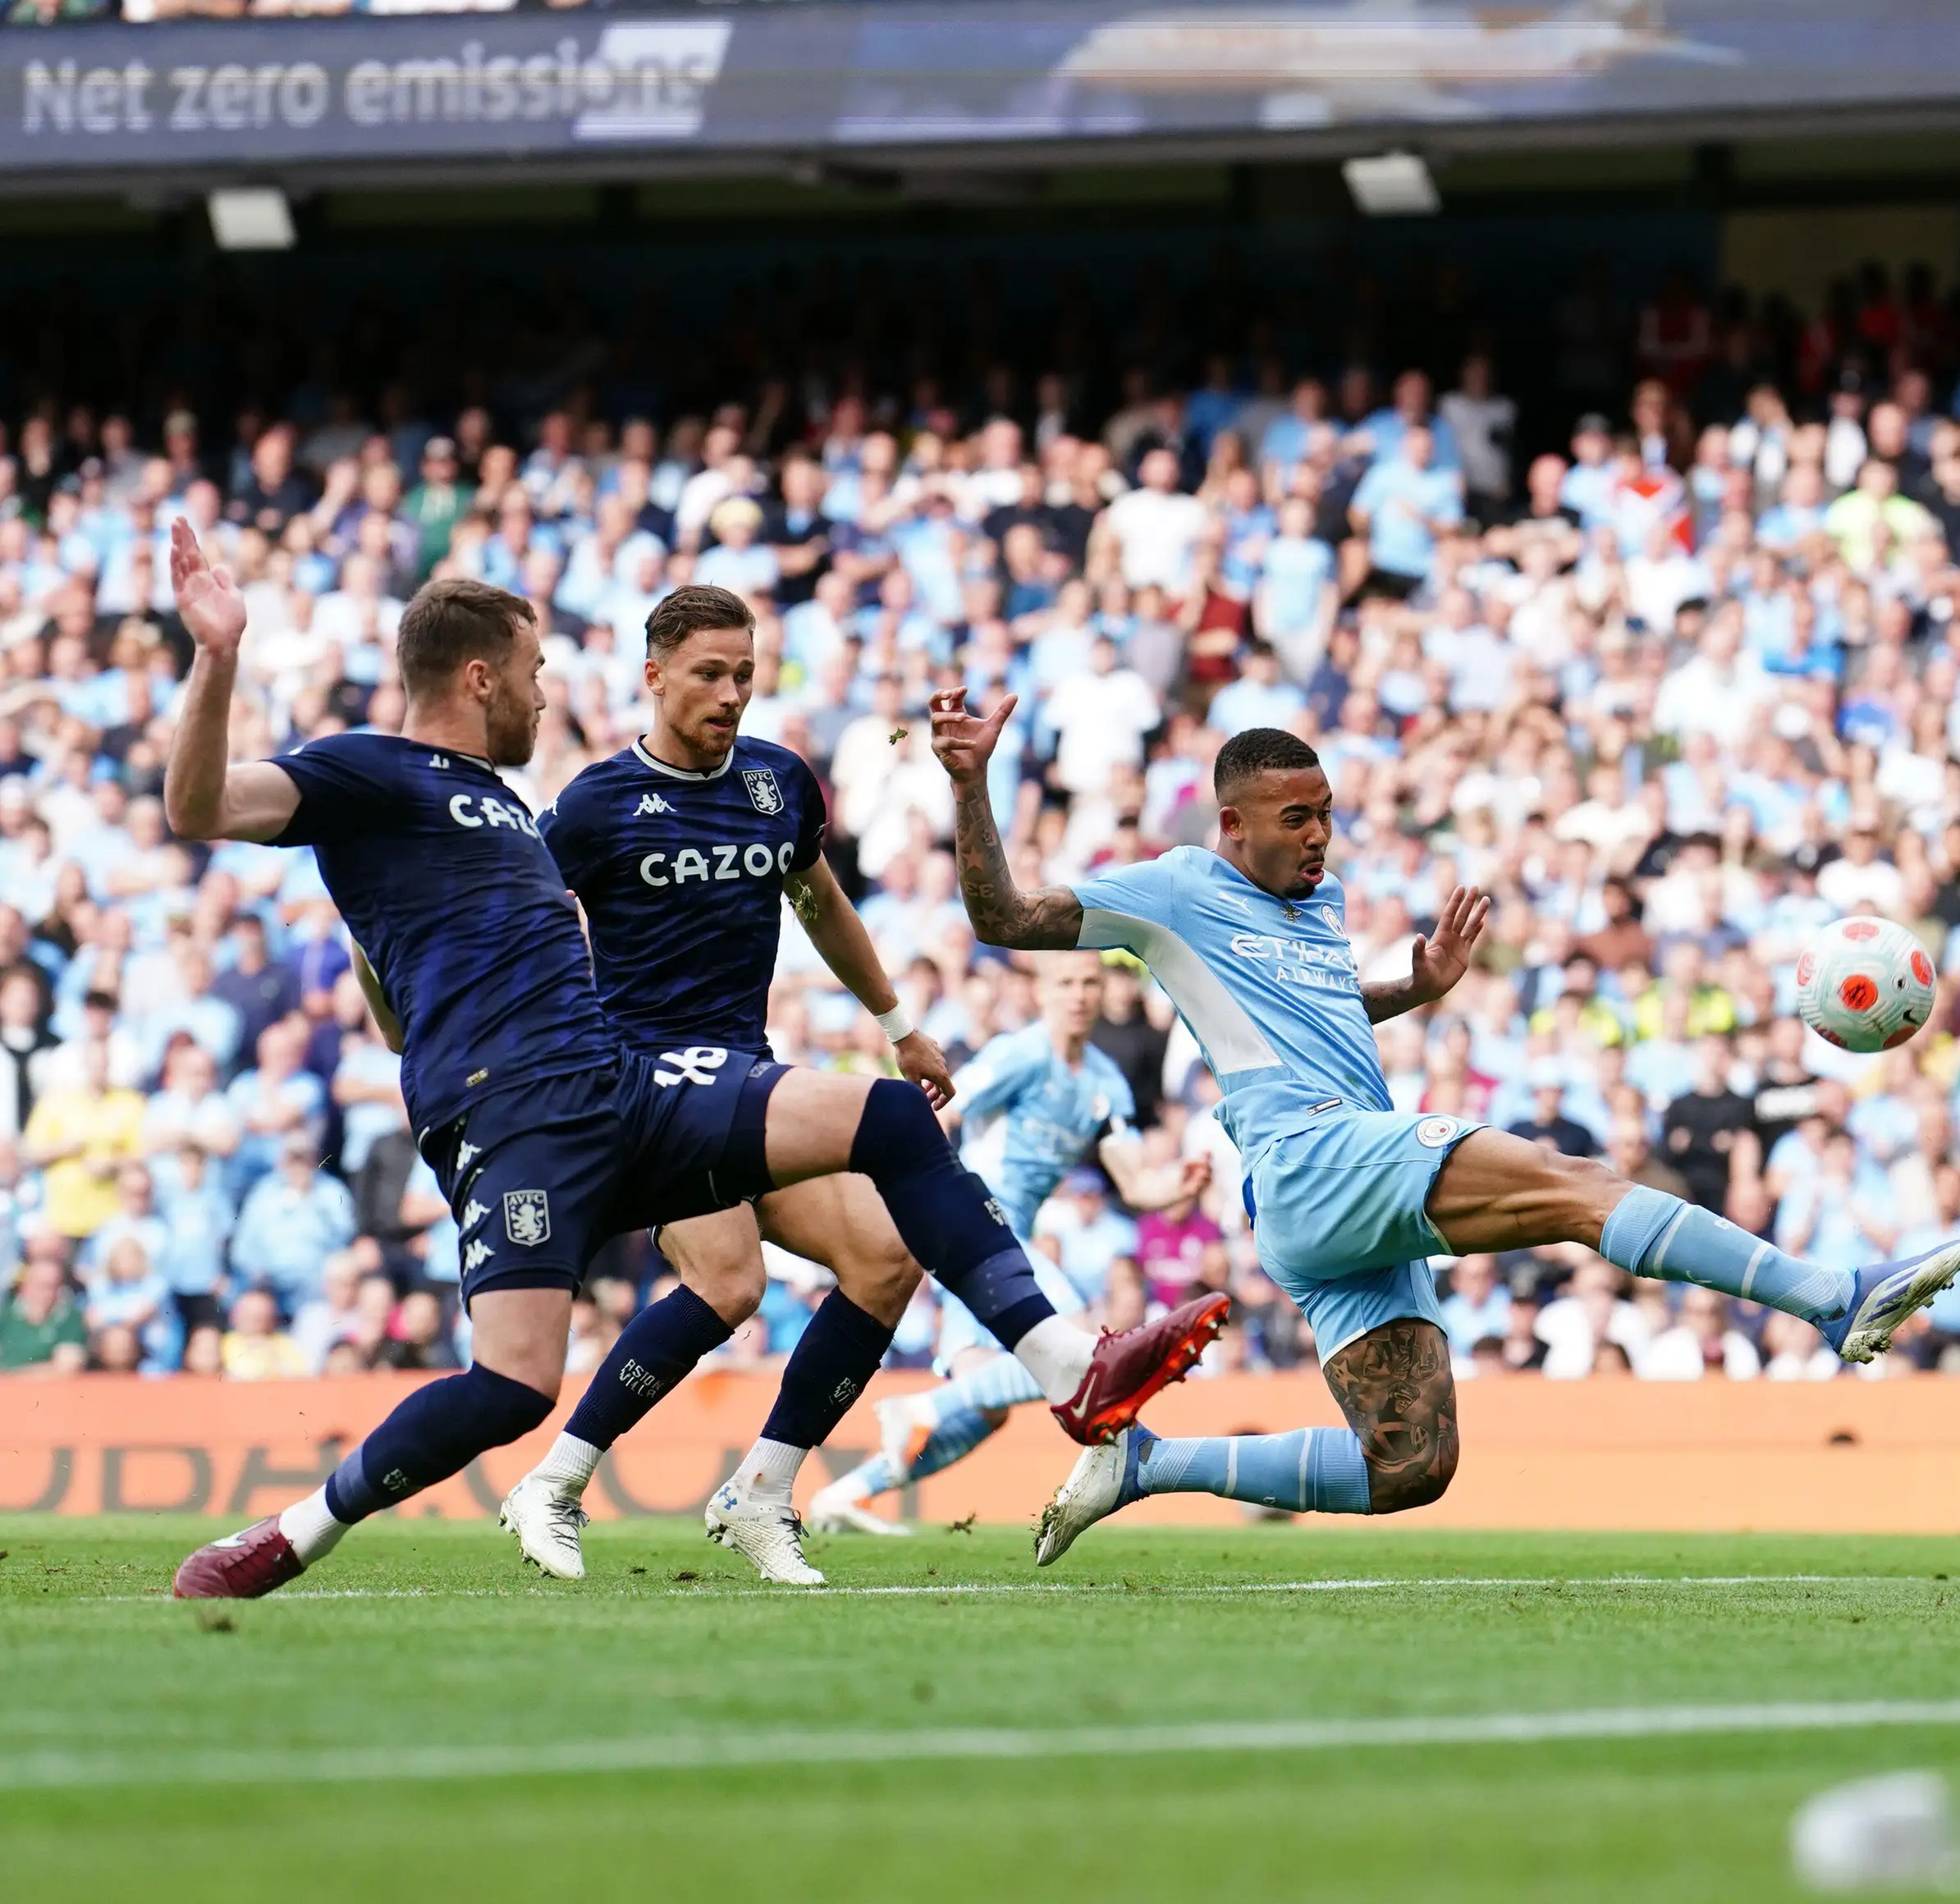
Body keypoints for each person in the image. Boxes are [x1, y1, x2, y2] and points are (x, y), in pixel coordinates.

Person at [158, 528, 1114, 1600]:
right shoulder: (374, 770)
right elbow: (200, 808)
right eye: (533, 671)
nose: (546, 692)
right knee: (516, 1386)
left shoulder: (511, 808)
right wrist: (219, 655)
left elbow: (810, 900)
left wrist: (893, 1018)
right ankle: (297, 1532)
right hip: (515, 1115)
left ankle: (1060, 1369)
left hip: (620, 1086)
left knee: (889, 1136)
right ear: (480, 677)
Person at [919, 707, 1960, 1563]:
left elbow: (1312, 1012)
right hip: (1312, 1156)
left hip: (1331, 1192)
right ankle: (1832, 1297)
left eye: (1328, 815)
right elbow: (1004, 917)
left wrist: (1411, 989)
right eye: (1296, 818)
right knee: (1574, 1181)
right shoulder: (1177, 889)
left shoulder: (1318, 901)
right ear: (1232, 823)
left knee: (1408, 1463)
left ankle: (1145, 1463)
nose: (1319, 836)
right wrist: (971, 783)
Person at [494, 587, 1225, 1582]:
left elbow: (821, 902)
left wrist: (900, 1025)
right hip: (647, 1087)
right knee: (731, 1278)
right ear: (654, 674)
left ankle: (760, 1490)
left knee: (884, 1257)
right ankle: (554, 1480)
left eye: (745, 673)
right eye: (709, 672)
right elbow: (522, 933)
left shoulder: (778, 782)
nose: (731, 693)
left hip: (742, 1075)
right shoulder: (592, 806)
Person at [806, 947, 1214, 1536]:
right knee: (1078, 1343)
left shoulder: (1104, 1082)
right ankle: (917, 1409)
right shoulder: (1019, 1055)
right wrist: (926, 1201)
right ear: (1041, 992)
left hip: (1003, 1235)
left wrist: (1175, 1183)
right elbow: (940, 1111)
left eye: (1089, 983)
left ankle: (846, 1493)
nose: (1079, 995)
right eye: (1066, 983)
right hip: (975, 1221)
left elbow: (1134, 1182)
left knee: (986, 1406)